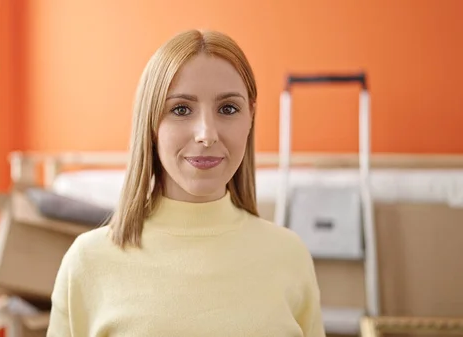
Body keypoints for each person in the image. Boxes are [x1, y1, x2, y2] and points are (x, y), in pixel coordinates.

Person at [46, 29, 325, 337]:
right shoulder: (87, 263)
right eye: (180, 109)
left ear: (251, 117)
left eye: (228, 109)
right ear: (150, 123)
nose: (207, 133)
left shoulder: (290, 255)